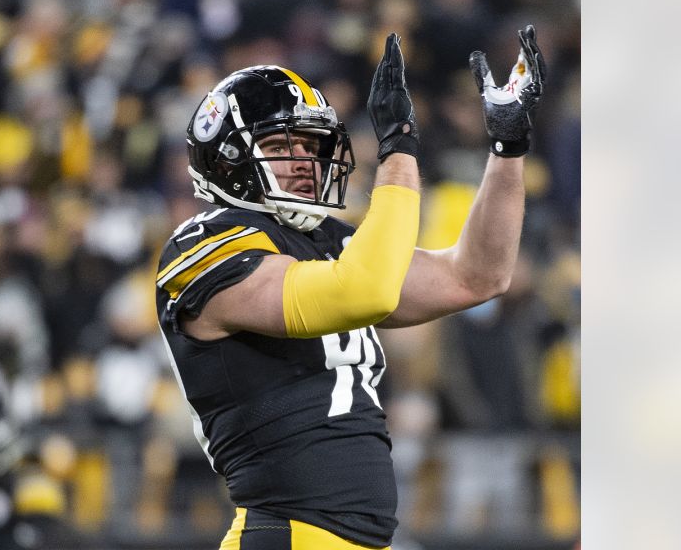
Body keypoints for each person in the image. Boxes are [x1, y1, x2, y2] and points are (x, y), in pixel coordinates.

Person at [156, 27, 548, 549]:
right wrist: (400, 148)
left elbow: (478, 275)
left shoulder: (325, 241)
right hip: (291, 533)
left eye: (310, 146)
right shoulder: (204, 244)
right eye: (279, 146)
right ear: (227, 161)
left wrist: (507, 150)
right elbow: (365, 292)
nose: (302, 162)